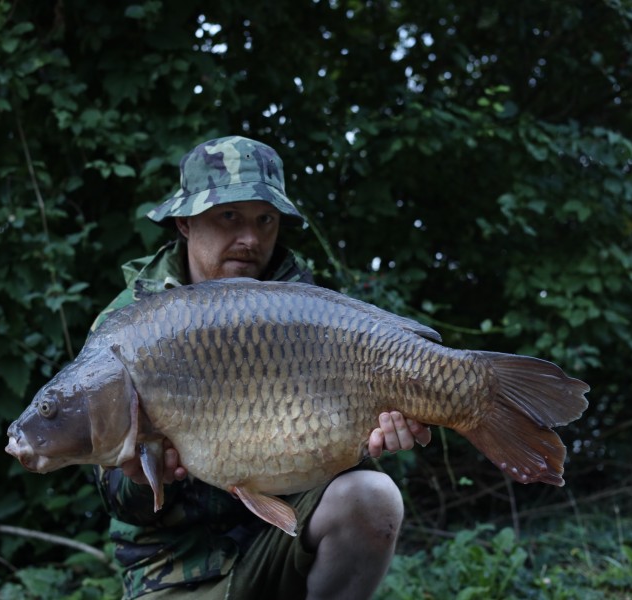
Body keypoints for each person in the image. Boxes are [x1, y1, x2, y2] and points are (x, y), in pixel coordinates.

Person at [92, 136, 431, 599]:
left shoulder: (306, 314)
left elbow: (331, 453)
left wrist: (369, 441)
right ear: (185, 222)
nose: (250, 238)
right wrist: (137, 476)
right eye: (229, 216)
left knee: (373, 496)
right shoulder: (126, 328)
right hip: (176, 571)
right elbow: (115, 500)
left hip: (282, 541)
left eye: (265, 220)